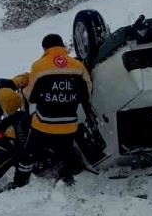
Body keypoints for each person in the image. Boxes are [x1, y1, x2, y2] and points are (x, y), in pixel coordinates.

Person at [12, 34, 93, 187]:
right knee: (65, 152)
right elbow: (87, 92)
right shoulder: (77, 65)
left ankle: (20, 182)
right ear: (62, 45)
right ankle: (66, 177)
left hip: (43, 123)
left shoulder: (39, 65)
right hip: (69, 124)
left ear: (45, 48)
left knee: (28, 154)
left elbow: (31, 95)